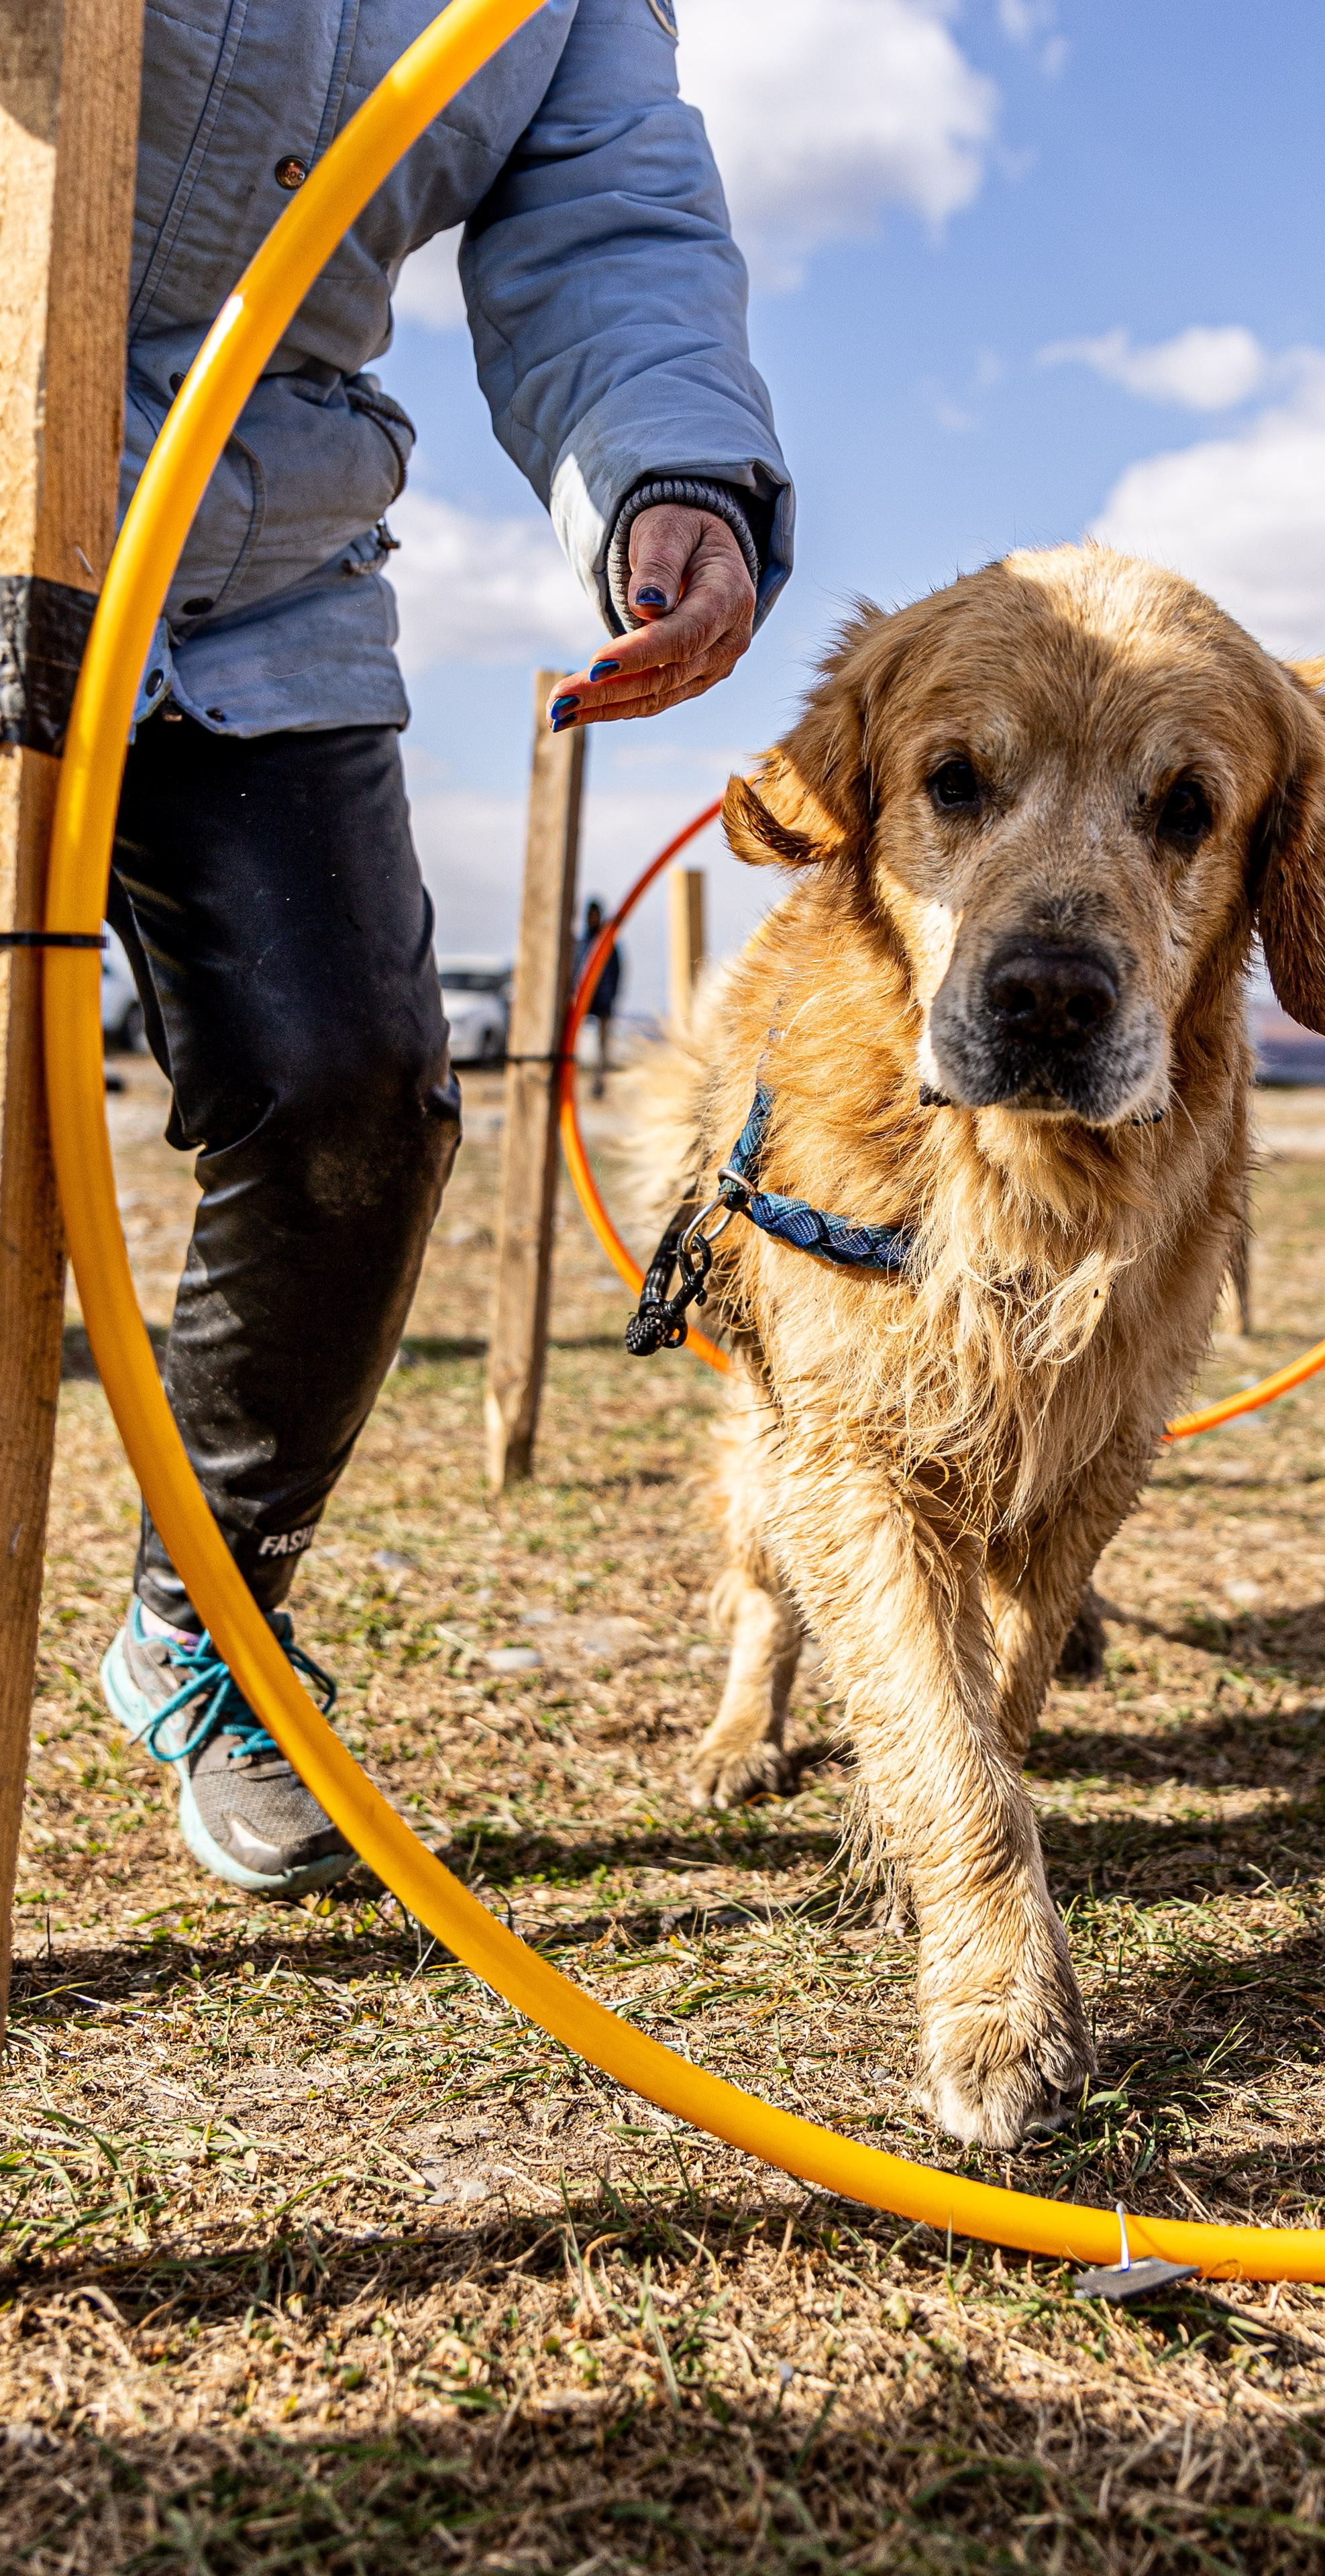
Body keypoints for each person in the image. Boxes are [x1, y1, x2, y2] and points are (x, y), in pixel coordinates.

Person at [99, 0, 792, 1902]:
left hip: (256, 545)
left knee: (358, 1104)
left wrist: (675, 475)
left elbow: (611, 214)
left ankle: (209, 1634)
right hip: (10, 432)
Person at [576, 898, 624, 1097]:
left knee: (603, 1048)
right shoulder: (583, 942)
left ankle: (599, 1085)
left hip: (603, 1003)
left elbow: (616, 972)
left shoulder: (608, 943)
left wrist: (611, 997)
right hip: (584, 1003)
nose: (594, 919)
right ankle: (573, 1083)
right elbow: (576, 969)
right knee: (573, 1045)